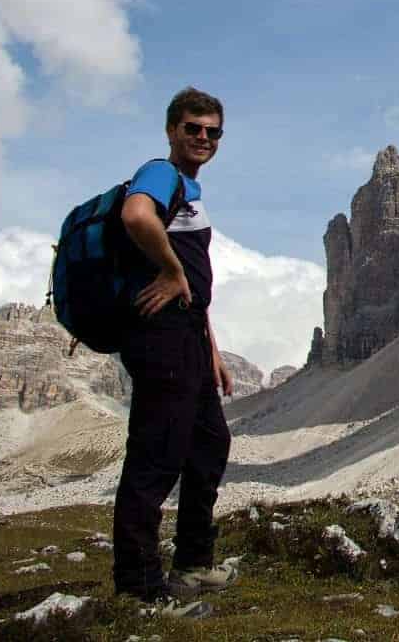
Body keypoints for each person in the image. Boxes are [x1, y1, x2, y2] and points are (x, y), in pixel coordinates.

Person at [111, 86, 238, 617]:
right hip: (159, 335)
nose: (203, 138)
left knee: (209, 441)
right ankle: (139, 588)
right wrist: (170, 269)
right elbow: (136, 216)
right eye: (193, 128)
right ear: (172, 130)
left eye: (212, 131)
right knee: (157, 453)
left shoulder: (191, 189)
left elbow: (194, 284)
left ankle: (193, 562)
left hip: (187, 336)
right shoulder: (160, 175)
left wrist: (210, 347)